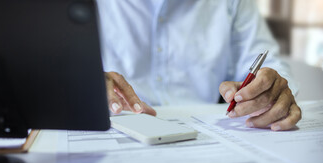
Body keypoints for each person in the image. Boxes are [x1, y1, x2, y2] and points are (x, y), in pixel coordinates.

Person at [96, 0, 301, 131]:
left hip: (209, 134)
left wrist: (269, 89)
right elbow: (65, 74)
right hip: (118, 127)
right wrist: (83, 80)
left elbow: (270, 68)